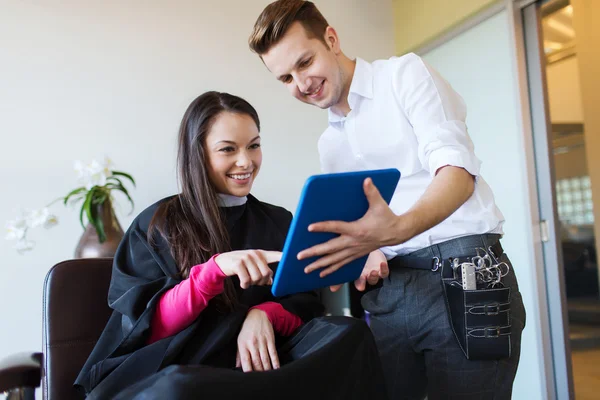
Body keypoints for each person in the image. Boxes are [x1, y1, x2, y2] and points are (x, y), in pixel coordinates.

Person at [249, 1, 527, 399]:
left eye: (305, 62)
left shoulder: (404, 75)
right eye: (285, 78)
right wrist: (370, 252)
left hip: (465, 274)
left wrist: (398, 229)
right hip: (391, 295)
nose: (301, 83)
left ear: (331, 39)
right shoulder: (330, 144)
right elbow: (367, 230)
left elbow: (458, 174)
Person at [75, 91, 387, 400]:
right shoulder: (158, 224)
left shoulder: (278, 220)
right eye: (228, 149)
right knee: (178, 387)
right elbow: (148, 328)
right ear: (198, 153)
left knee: (350, 333)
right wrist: (213, 271)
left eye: (254, 146)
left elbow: (304, 306)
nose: (246, 161)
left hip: (264, 363)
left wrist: (263, 314)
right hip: (187, 365)